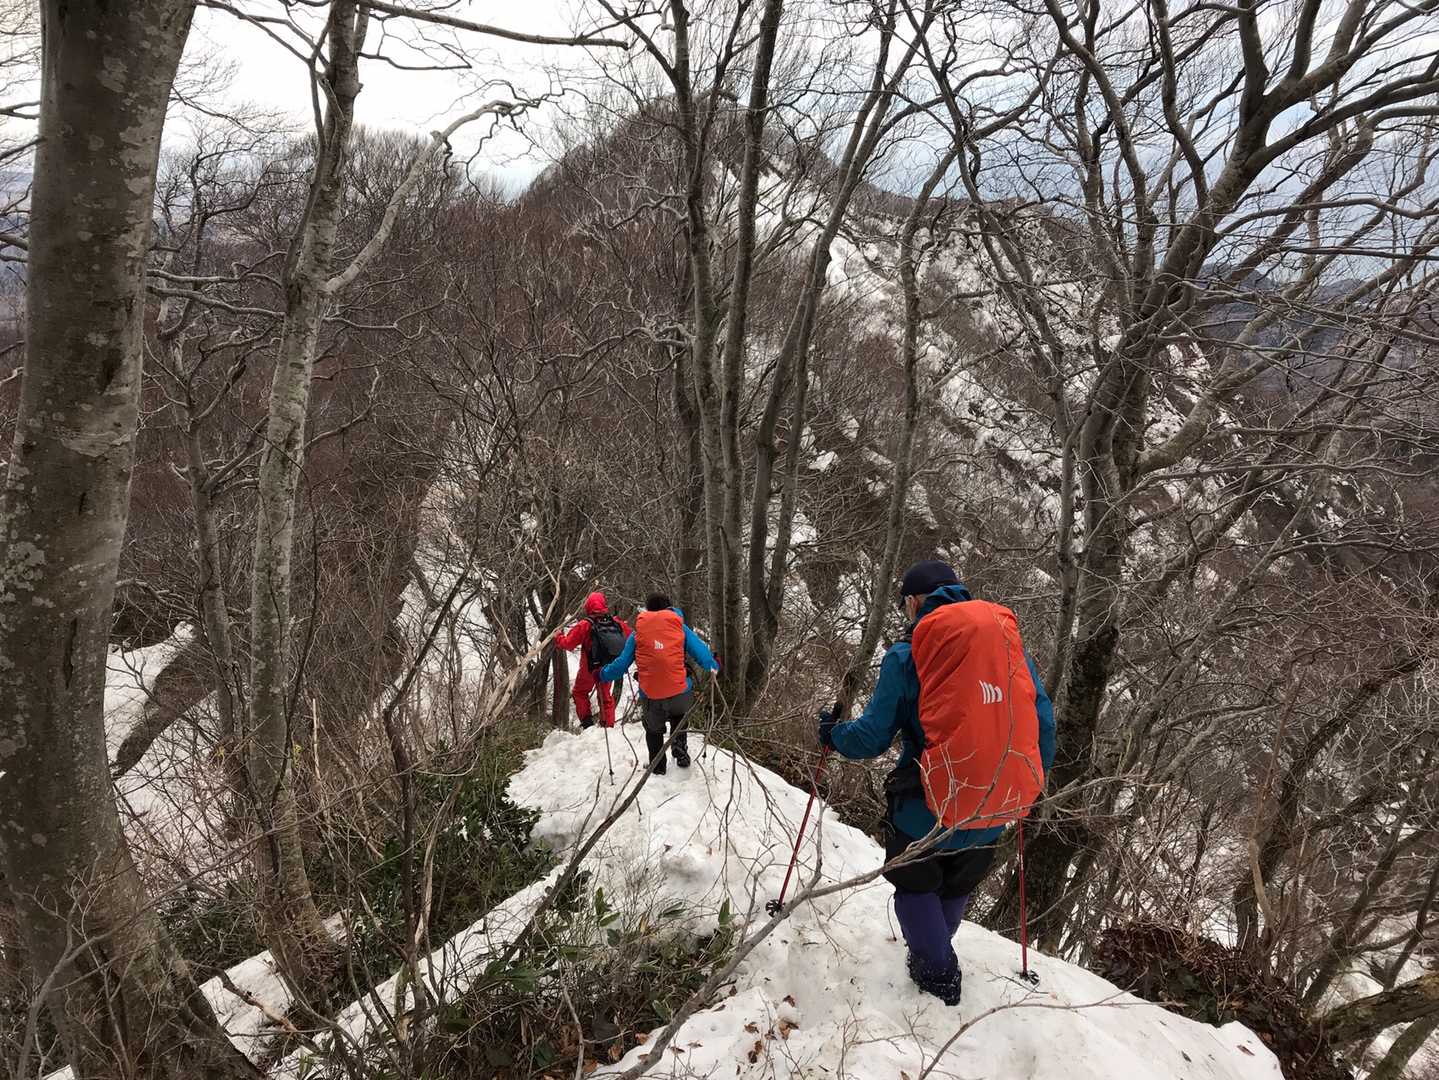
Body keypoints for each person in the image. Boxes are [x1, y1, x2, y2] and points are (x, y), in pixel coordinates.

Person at [819, 559, 1055, 1006]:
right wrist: (1026, 782)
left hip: (927, 801)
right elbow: (1042, 722)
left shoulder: (908, 654)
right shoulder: (1009, 650)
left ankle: (939, 976)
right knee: (955, 885)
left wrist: (832, 735)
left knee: (914, 885)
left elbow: (872, 737)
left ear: (913, 602)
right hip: (995, 801)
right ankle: (936, 950)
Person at [600, 593, 718, 774]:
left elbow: (621, 664)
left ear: (648, 610)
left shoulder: (638, 633)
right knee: (679, 715)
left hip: (651, 695)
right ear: (669, 608)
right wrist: (714, 664)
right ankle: (679, 746)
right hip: (680, 692)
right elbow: (702, 654)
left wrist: (602, 674)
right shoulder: (679, 627)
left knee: (653, 730)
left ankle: (658, 767)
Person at [556, 591, 630, 728]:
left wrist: (558, 636)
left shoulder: (585, 624)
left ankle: (587, 723)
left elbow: (568, 644)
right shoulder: (616, 622)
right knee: (605, 697)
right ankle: (608, 726)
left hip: (589, 668)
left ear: (588, 606)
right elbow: (632, 638)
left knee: (580, 692)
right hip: (608, 666)